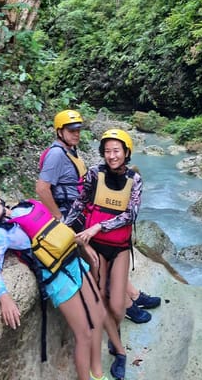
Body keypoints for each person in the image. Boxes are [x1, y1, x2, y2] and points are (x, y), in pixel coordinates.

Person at [36, 110, 161, 323]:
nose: (76, 134)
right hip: (73, 214)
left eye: (78, 130)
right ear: (59, 131)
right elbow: (44, 189)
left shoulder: (70, 151)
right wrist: (61, 221)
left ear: (126, 152)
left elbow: (129, 212)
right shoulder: (59, 154)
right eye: (71, 130)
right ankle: (128, 304)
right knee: (102, 260)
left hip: (89, 215)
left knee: (113, 254)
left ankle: (134, 295)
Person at [0, 190, 109, 380]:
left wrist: (83, 244)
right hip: (57, 278)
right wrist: (4, 297)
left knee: (98, 314)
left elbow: (56, 230)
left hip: (75, 262)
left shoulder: (25, 206)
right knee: (83, 334)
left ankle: (97, 371)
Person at [64, 128, 142, 380]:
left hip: (118, 247)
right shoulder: (94, 175)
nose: (111, 155)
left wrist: (99, 225)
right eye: (107, 151)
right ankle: (119, 351)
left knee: (117, 305)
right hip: (95, 247)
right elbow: (80, 202)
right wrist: (64, 227)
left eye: (116, 151)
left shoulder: (135, 179)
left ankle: (113, 335)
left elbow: (131, 214)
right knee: (100, 298)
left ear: (126, 152)